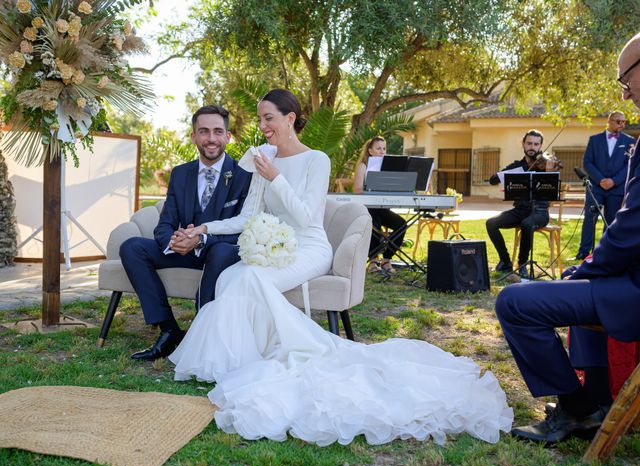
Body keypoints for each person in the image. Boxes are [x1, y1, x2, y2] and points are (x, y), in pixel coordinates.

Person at [169, 89, 513, 446]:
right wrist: (204, 228)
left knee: (252, 276)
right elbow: (248, 216)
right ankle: (243, 357)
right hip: (275, 246)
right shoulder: (261, 158)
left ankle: (299, 349)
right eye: (260, 119)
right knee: (231, 275)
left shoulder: (316, 160)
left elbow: (305, 216)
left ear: (290, 118)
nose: (263, 126)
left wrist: (276, 177)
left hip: (309, 247)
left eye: (268, 118)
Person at [495, 31, 640, 444]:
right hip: (623, 278)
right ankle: (593, 403)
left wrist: (585, 269)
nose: (625, 97)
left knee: (513, 302)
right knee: (586, 287)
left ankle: (577, 408)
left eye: (625, 81)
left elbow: (632, 229)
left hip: (632, 287)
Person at [119, 105, 252, 361]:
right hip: (184, 251)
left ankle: (203, 331)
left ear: (228, 136)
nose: (211, 138)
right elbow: (166, 221)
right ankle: (169, 330)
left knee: (223, 250)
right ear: (193, 136)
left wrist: (200, 239)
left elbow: (242, 228)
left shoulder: (244, 175)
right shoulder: (181, 174)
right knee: (132, 247)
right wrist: (174, 241)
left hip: (219, 252)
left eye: (217, 131)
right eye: (203, 131)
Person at [485, 130, 559, 276]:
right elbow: (493, 180)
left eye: (536, 144)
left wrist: (549, 173)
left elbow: (551, 193)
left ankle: (523, 264)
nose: (532, 147)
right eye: (529, 143)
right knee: (491, 223)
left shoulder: (548, 164)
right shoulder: (516, 166)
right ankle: (505, 261)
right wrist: (506, 176)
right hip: (520, 210)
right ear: (523, 144)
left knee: (527, 223)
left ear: (541, 146)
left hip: (540, 212)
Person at [575, 111, 635, 260]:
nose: (622, 124)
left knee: (611, 221)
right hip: (595, 186)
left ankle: (605, 252)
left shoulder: (629, 141)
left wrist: (614, 181)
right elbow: (587, 162)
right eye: (618, 121)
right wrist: (601, 179)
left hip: (616, 188)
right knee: (590, 219)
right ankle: (584, 251)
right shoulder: (594, 139)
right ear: (609, 121)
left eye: (624, 122)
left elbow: (629, 165)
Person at [353, 136, 408, 273]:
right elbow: (358, 190)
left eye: (384, 149)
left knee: (401, 224)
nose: (382, 151)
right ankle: (372, 261)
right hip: (367, 207)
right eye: (378, 149)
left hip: (382, 208)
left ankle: (386, 260)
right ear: (370, 151)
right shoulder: (363, 165)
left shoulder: (388, 167)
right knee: (374, 222)